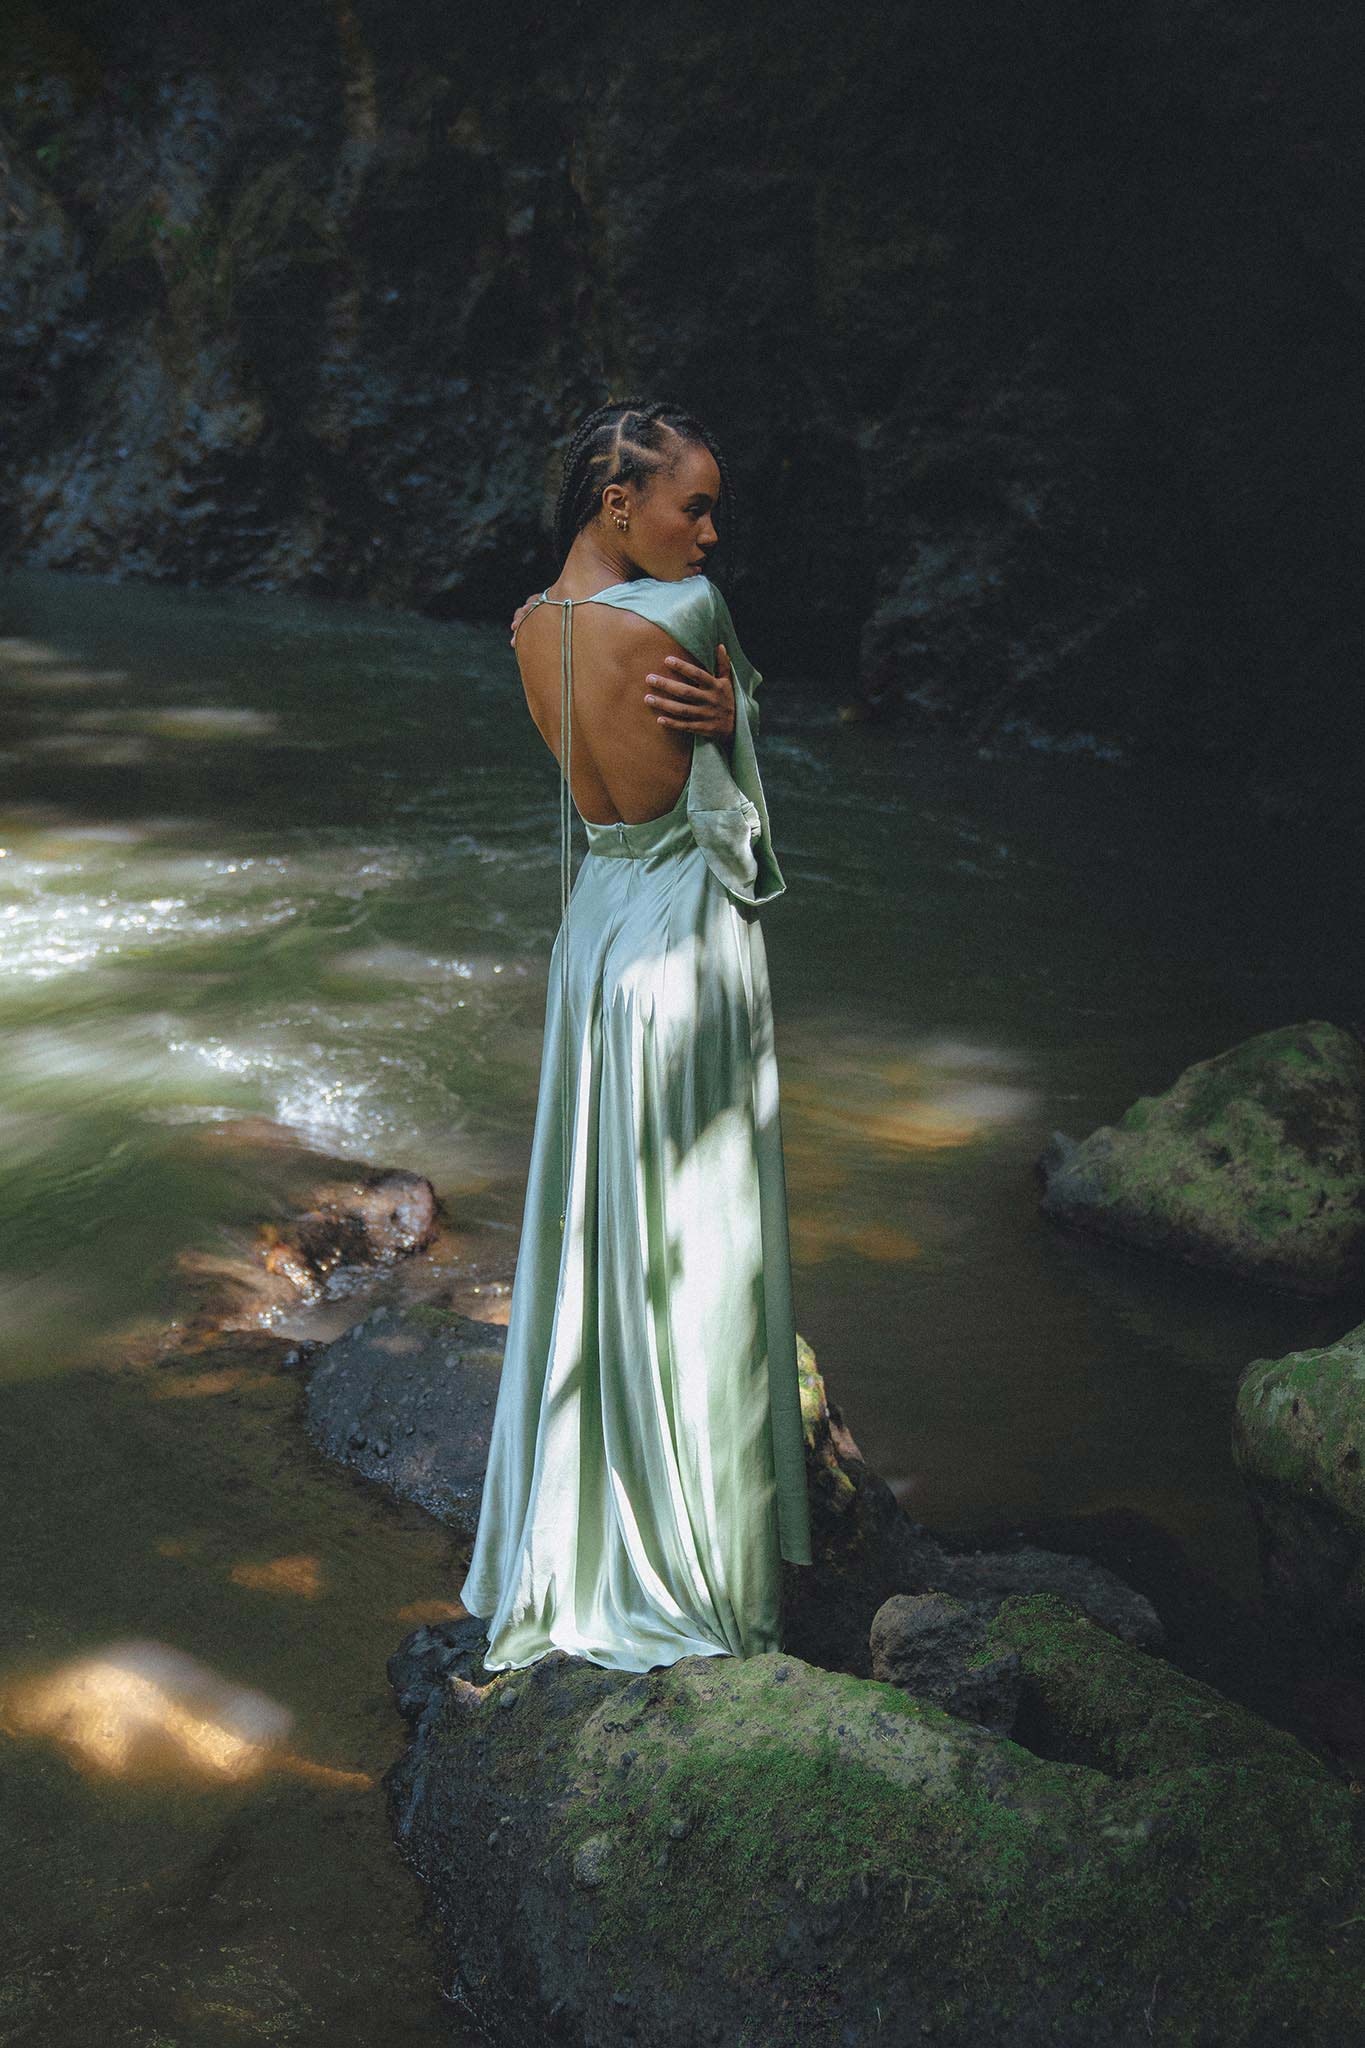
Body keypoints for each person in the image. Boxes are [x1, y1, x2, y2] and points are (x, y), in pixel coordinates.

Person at [457, 397, 812, 1675]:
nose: (711, 535)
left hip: (596, 932)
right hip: (678, 930)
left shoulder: (528, 630)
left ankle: (582, 1535)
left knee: (605, 1229)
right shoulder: (685, 618)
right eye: (693, 505)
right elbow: (735, 821)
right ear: (620, 508)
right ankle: (703, 1568)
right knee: (693, 1239)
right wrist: (739, 726)